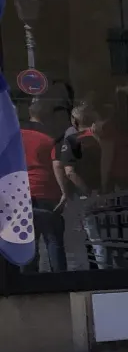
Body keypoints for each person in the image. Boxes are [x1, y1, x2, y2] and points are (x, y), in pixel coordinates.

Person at [21, 102, 66, 273]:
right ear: (47, 117)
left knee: (28, 242)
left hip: (23, 194)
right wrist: (64, 192)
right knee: (53, 240)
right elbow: (58, 166)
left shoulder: (15, 137)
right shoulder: (50, 139)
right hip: (47, 191)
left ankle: (28, 283)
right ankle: (60, 281)